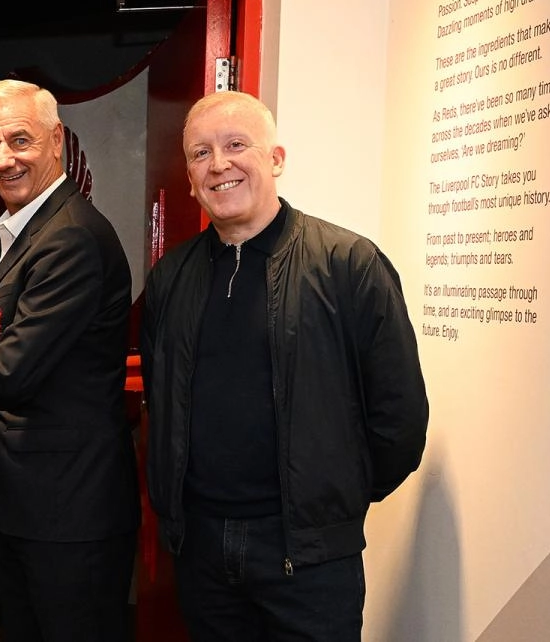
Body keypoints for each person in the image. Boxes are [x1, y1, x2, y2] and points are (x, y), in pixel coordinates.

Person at [140, 90, 429, 641]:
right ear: (190, 178)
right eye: (201, 153)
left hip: (309, 560)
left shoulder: (349, 265)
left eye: (236, 144)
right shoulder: (170, 278)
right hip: (201, 552)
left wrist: (328, 505)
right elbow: (161, 399)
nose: (219, 163)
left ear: (275, 159)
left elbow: (400, 419)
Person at [0, 79, 140, 641]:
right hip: (38, 505)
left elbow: (15, 370)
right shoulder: (33, 227)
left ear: (57, 140)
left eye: (20, 140)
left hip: (69, 511)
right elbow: (35, 345)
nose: (3, 158)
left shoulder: (70, 237)